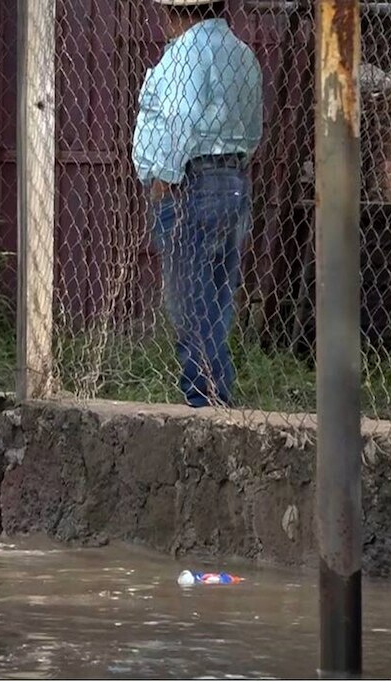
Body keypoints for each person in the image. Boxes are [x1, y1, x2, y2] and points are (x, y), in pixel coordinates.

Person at [133, 0, 264, 408]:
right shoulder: (242, 52)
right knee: (218, 295)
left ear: (172, 12)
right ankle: (215, 390)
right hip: (233, 179)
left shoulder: (186, 52)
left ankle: (204, 395)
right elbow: (252, 125)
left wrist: (165, 176)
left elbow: (178, 117)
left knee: (188, 301)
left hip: (191, 181)